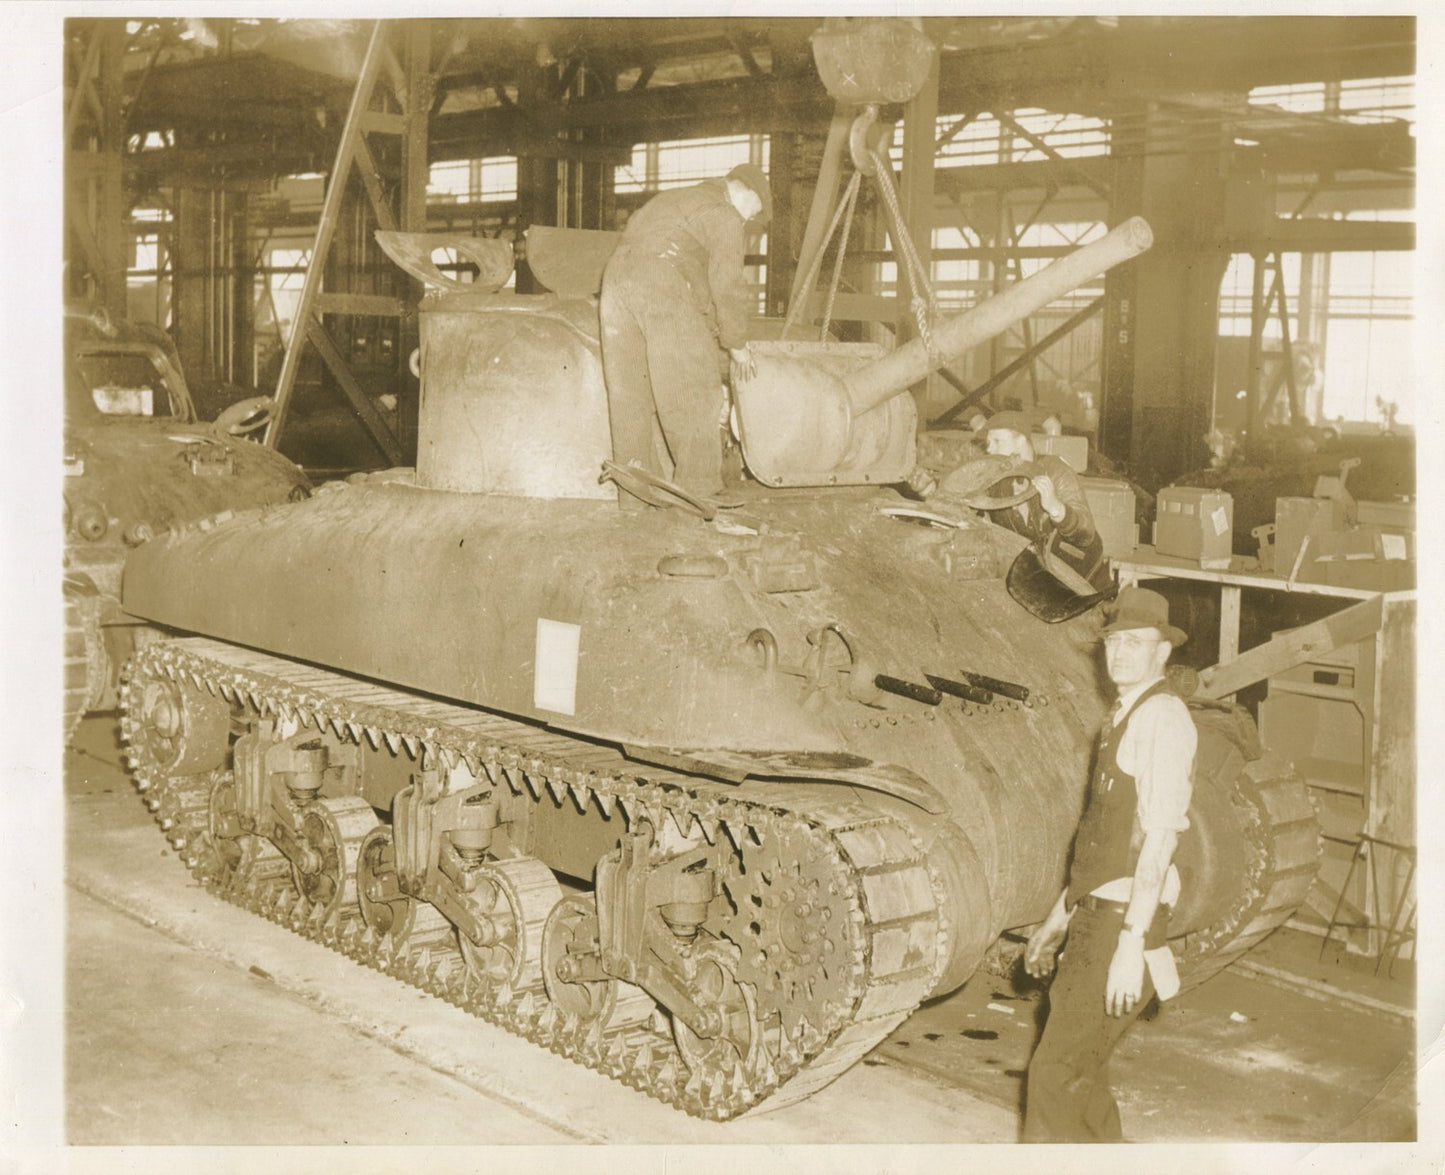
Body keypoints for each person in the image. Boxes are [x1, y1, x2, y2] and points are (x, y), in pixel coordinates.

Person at [1022, 586, 1197, 1142]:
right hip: (1098, 918)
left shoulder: (1163, 719)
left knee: (1053, 1074)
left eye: (1135, 643)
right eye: (1113, 642)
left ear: (1162, 652)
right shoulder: (1123, 713)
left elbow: (1159, 839)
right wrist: (1057, 919)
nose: (1119, 653)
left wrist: (1129, 946)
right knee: (1080, 1074)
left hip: (1121, 928)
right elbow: (1102, 839)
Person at [599, 163, 771, 497]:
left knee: (630, 395)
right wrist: (737, 344)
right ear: (746, 192)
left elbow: (694, 275)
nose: (748, 221)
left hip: (616, 281)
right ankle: (698, 495)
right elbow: (727, 285)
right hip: (659, 277)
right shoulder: (724, 214)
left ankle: (636, 499)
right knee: (694, 386)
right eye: (753, 213)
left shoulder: (676, 199)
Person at [978, 409, 1110, 592]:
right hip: (1041, 578)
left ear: (1021, 441)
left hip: (1083, 577)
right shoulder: (997, 482)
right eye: (988, 443)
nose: (989, 449)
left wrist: (1055, 508)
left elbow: (1086, 533)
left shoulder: (1056, 472)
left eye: (997, 441)